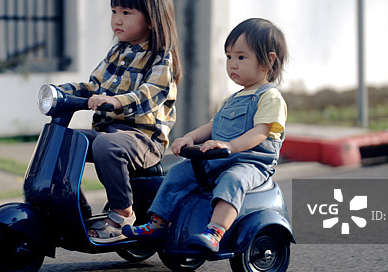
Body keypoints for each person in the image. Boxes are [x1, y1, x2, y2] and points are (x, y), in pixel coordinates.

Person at [123, 18, 288, 252]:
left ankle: (215, 231)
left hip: (250, 163)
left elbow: (260, 133)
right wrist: (189, 138)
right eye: (229, 57)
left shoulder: (270, 97)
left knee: (234, 180)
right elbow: (212, 127)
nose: (232, 64)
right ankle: (157, 223)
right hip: (219, 159)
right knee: (179, 172)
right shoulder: (231, 99)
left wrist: (230, 145)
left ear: (268, 61)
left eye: (241, 57)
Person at [57, 0, 182, 243]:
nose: (117, 19)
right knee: (63, 142)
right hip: (109, 134)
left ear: (151, 18)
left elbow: (152, 94)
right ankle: (74, 209)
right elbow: (94, 85)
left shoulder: (161, 56)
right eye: (114, 11)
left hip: (143, 141)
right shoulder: (117, 52)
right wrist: (62, 92)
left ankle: (123, 213)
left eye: (126, 12)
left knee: (105, 145)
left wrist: (115, 101)